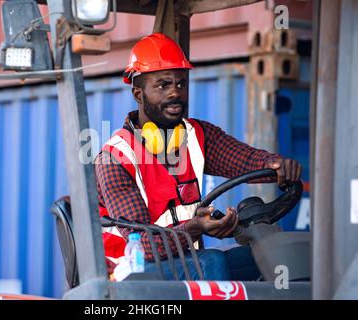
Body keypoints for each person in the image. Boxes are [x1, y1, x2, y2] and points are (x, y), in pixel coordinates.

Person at [95, 33, 302, 280]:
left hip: (184, 262)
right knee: (210, 260)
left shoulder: (196, 135)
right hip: (129, 273)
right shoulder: (115, 158)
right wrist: (194, 229)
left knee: (264, 256)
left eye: (181, 84)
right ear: (138, 94)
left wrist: (276, 165)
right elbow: (146, 245)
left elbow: (245, 160)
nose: (175, 93)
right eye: (163, 85)